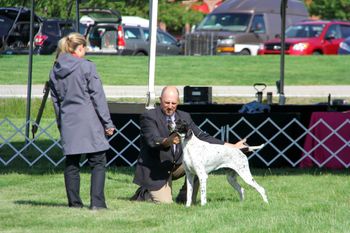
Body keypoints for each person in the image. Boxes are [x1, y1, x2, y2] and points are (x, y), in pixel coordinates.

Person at [131, 86, 247, 204]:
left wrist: (232, 146)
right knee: (165, 202)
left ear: (178, 102)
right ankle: (144, 191)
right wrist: (168, 141)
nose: (170, 106)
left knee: (199, 164)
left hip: (178, 163)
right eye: (166, 103)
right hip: (156, 168)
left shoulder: (184, 116)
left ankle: (185, 198)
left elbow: (202, 136)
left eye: (173, 103)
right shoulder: (149, 116)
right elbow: (152, 140)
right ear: (160, 100)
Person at [49, 32, 115, 210]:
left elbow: (55, 101)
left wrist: (61, 123)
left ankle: (74, 204)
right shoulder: (87, 67)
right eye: (85, 48)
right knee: (98, 162)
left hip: (68, 120)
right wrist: (107, 123)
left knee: (71, 163)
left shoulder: (54, 69)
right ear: (79, 48)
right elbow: (98, 97)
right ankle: (98, 204)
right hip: (89, 120)